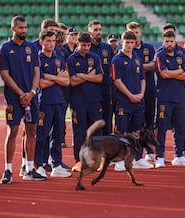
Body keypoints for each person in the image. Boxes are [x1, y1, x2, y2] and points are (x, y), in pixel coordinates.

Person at [0, 16, 46, 184]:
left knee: (32, 132)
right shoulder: (5, 48)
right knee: (13, 133)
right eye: (20, 28)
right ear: (13, 29)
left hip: (31, 98)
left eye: (25, 27)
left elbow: (37, 71)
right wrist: (20, 94)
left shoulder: (32, 48)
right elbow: (4, 74)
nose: (24, 30)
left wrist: (32, 92)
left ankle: (29, 168)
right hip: (13, 98)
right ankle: (8, 169)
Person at [34, 30, 71, 178]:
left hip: (59, 101)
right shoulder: (38, 59)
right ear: (41, 42)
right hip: (44, 102)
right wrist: (57, 78)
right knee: (42, 134)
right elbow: (40, 83)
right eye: (48, 41)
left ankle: (56, 163)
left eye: (53, 41)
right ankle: (40, 164)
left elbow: (66, 81)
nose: (51, 44)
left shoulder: (59, 59)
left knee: (58, 134)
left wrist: (51, 78)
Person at [154, 30, 185, 168]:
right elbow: (164, 74)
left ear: (175, 41)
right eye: (167, 41)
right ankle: (159, 156)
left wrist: (174, 73)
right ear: (163, 41)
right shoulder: (159, 55)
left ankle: (179, 156)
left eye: (171, 41)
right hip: (164, 97)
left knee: (180, 127)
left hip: (180, 97)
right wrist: (178, 72)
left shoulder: (181, 55)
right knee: (161, 127)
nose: (169, 44)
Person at [66, 32, 103, 172]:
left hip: (94, 100)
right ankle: (79, 161)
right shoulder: (70, 59)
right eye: (83, 45)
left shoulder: (95, 57)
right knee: (79, 132)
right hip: (78, 101)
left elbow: (99, 78)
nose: (86, 48)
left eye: (88, 45)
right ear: (77, 44)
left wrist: (81, 75)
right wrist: (89, 76)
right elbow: (73, 81)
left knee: (96, 132)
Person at [111, 30, 146, 170]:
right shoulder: (117, 59)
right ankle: (119, 160)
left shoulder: (138, 58)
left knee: (136, 131)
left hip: (138, 100)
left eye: (132, 42)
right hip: (123, 101)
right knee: (121, 131)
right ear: (121, 43)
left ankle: (136, 158)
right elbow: (117, 81)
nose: (130, 45)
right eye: (127, 42)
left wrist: (141, 93)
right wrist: (130, 95)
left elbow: (143, 78)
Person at [126, 21, 156, 167]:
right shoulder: (127, 50)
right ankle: (134, 154)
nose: (135, 35)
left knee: (149, 121)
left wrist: (137, 66)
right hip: (132, 91)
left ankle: (148, 150)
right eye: (132, 32)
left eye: (137, 32)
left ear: (140, 33)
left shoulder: (149, 48)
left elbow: (154, 65)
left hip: (149, 89)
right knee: (135, 123)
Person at [88, 20, 114, 136]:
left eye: (100, 29)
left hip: (106, 89)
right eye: (95, 30)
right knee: (93, 121)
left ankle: (107, 148)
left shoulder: (107, 48)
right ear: (90, 33)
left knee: (107, 119)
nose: (98, 32)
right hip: (91, 90)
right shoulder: (86, 48)